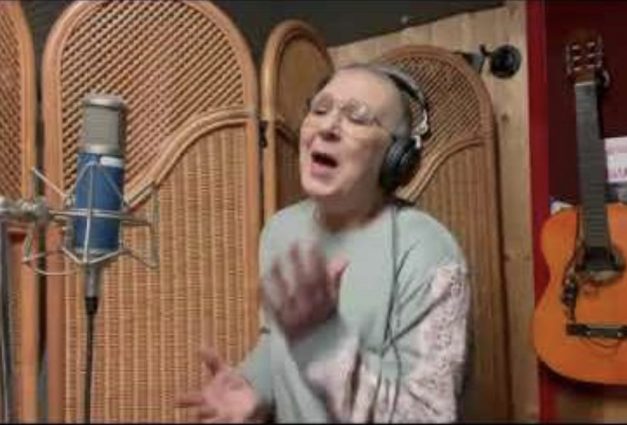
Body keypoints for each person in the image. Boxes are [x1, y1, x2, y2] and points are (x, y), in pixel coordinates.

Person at [177, 63, 470, 423]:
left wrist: (325, 344)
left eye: (357, 117)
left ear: (396, 159)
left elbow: (429, 415)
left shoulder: (428, 252)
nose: (328, 126)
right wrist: (254, 388)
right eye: (320, 109)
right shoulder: (280, 230)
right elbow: (278, 343)